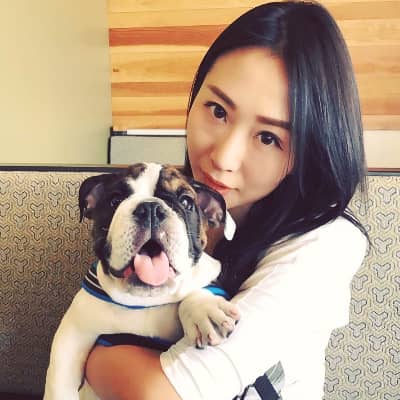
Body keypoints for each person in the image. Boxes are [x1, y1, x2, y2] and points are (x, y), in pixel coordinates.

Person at [85, 1, 368, 399]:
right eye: (217, 111)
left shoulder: (326, 244)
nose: (223, 158)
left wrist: (95, 357)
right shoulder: (164, 206)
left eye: (268, 137)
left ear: (309, 151)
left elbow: (161, 393)